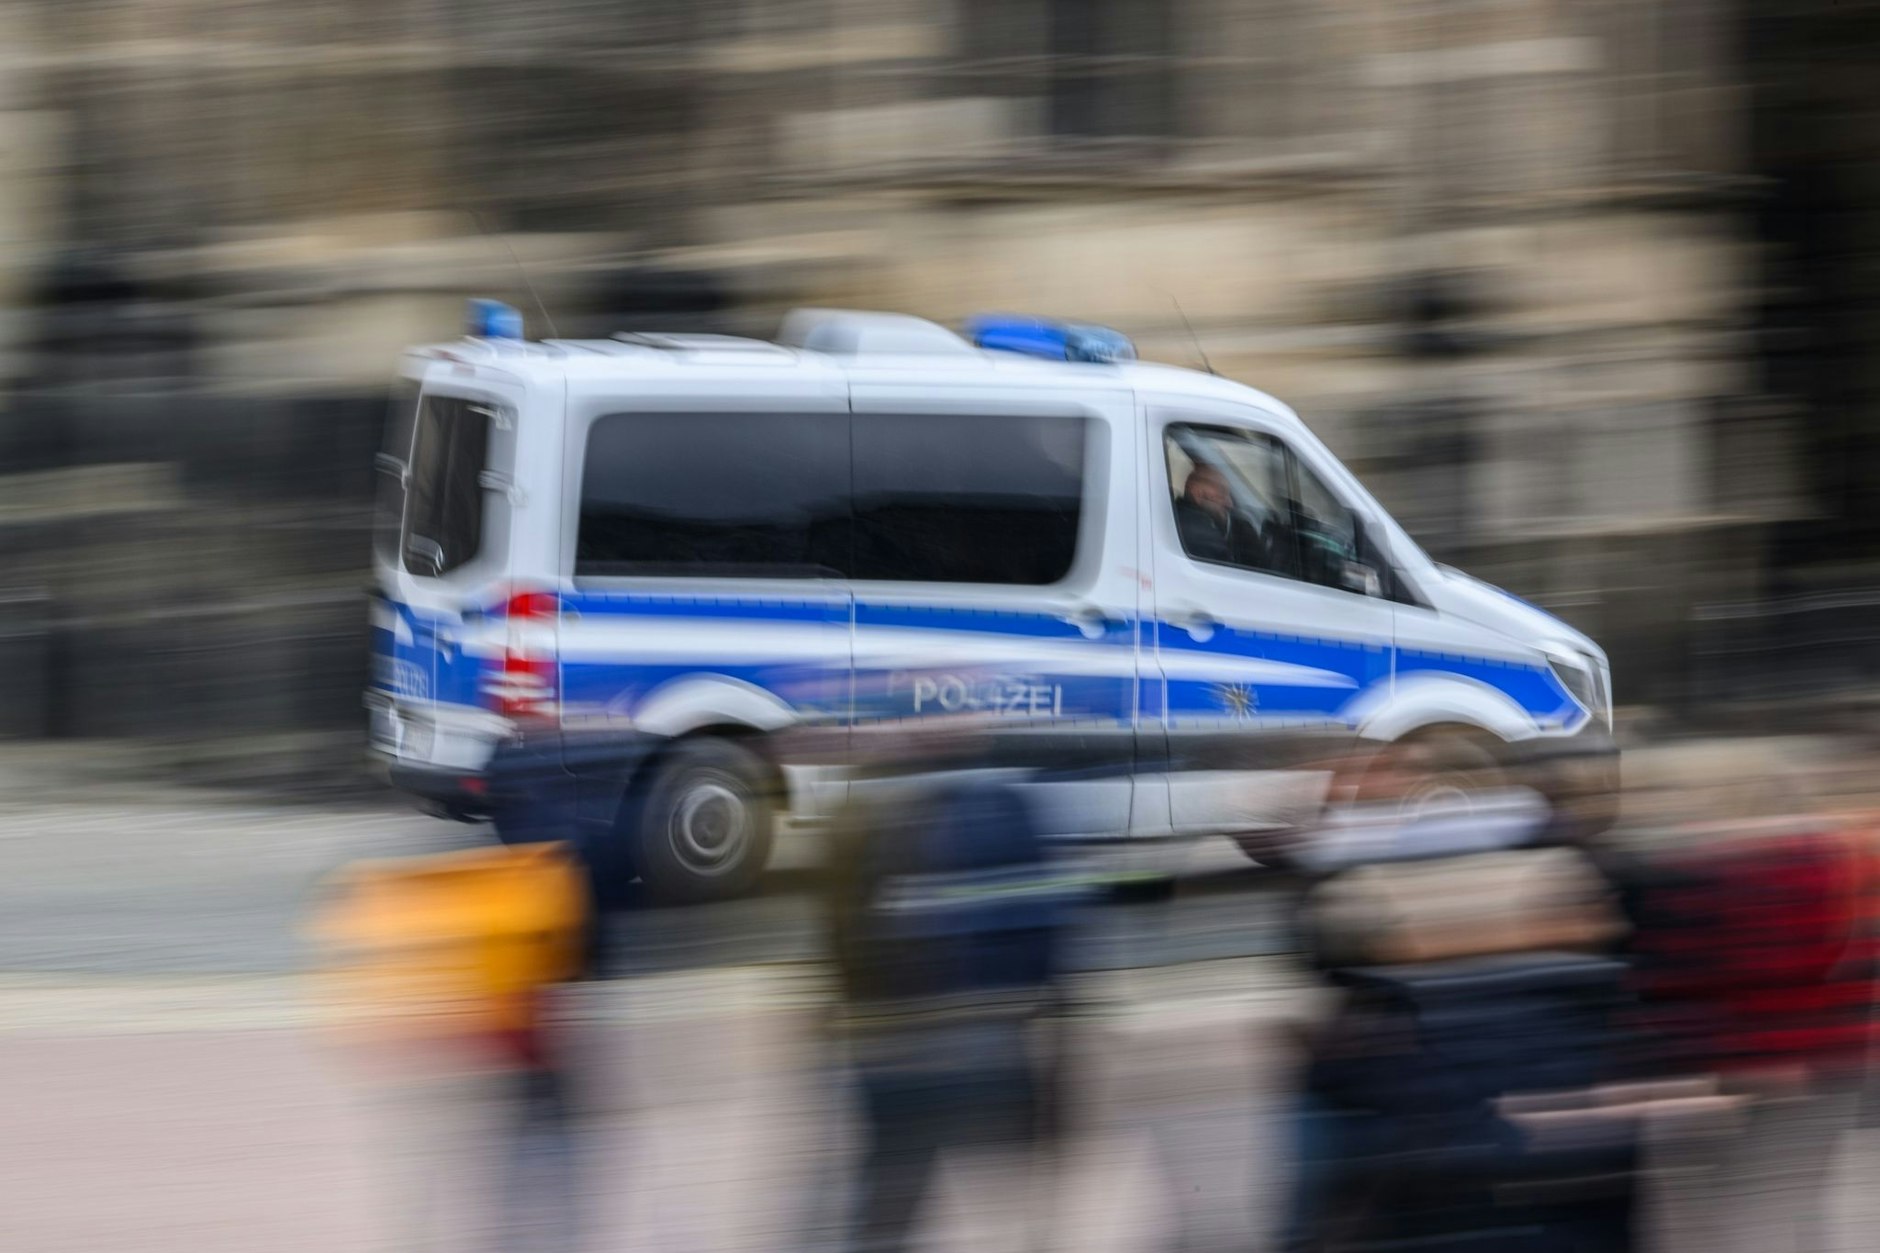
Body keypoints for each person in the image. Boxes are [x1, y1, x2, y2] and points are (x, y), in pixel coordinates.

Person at [824, 748, 1085, 1253]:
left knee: (898, 1204)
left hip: (925, 1057)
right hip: (951, 1057)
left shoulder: (865, 813)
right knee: (945, 1204)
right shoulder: (1004, 808)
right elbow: (1048, 934)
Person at [1174, 463, 1273, 570]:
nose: (1229, 503)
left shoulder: (1184, 519)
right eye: (1222, 495)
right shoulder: (1196, 531)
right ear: (1198, 493)